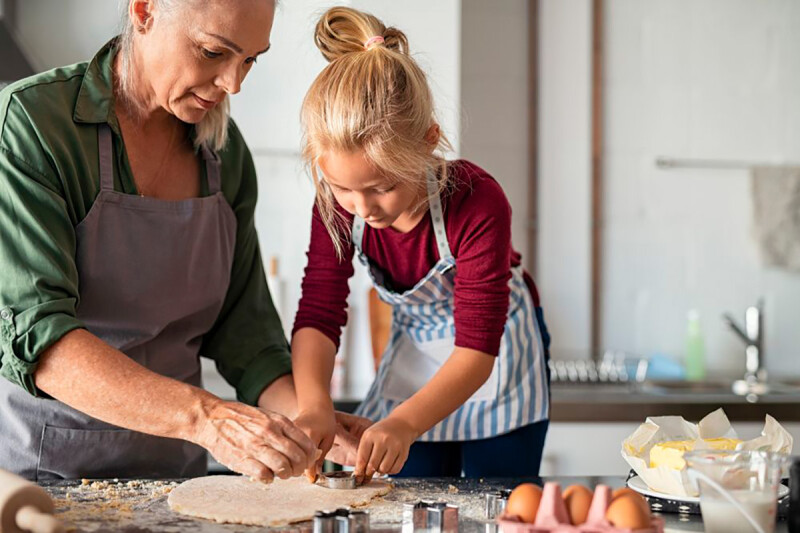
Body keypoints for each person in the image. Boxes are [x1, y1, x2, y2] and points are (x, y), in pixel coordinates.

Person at [0, 0, 362, 481]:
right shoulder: (34, 126)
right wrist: (207, 419)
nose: (235, 84)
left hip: (172, 484)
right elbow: (39, 338)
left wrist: (311, 424)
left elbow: (248, 341)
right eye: (214, 52)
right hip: (42, 482)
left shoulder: (224, 155)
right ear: (145, 10)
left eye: (250, 59)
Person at [292, 6, 551, 481]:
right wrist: (314, 406)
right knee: (406, 499)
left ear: (429, 141)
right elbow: (319, 311)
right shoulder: (336, 204)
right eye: (343, 188)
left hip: (493, 359)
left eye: (382, 187)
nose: (362, 208)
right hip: (416, 355)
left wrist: (405, 422)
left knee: (494, 502)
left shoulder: (477, 201)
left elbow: (475, 349)